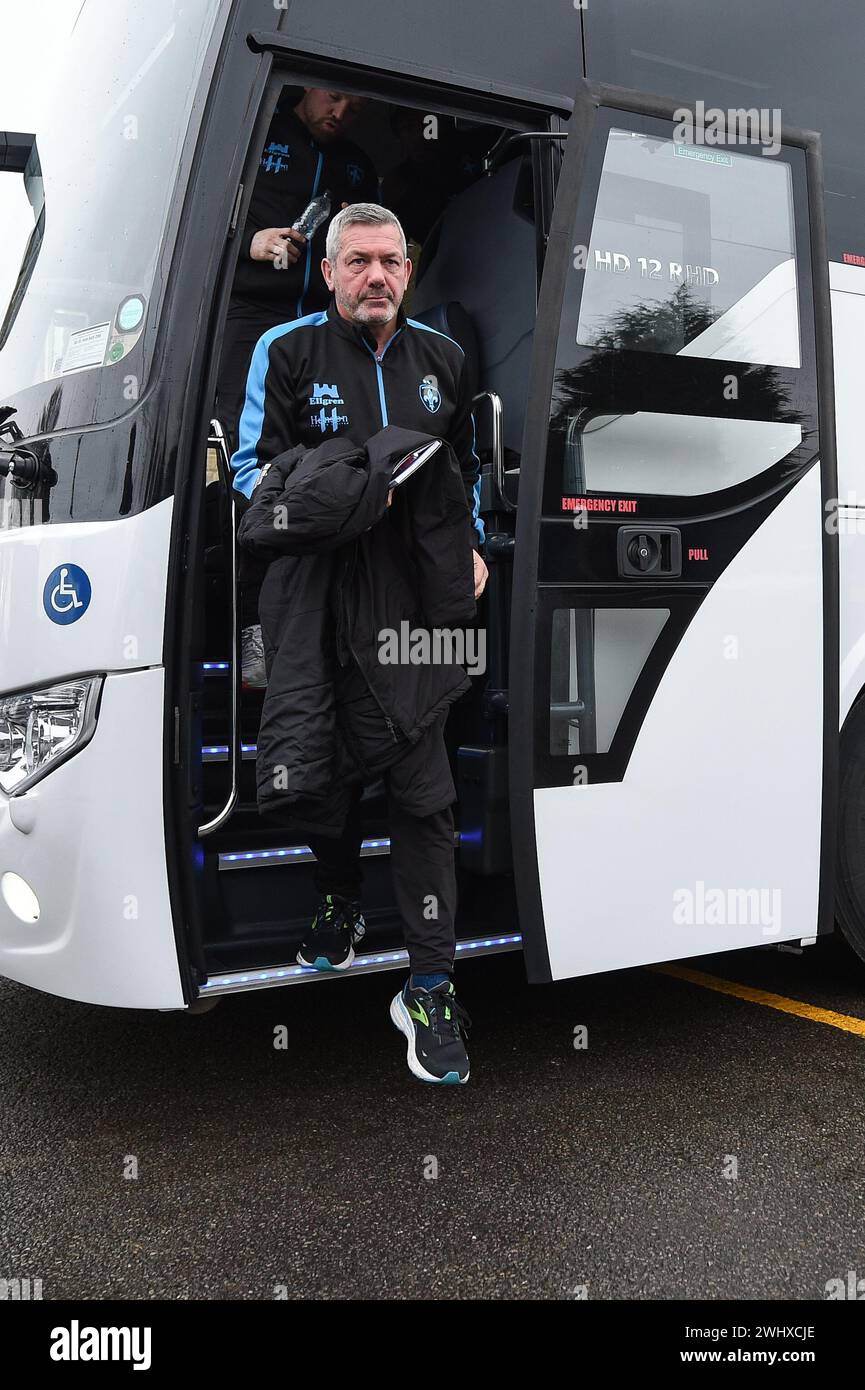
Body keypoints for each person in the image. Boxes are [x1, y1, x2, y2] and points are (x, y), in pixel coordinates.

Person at [230, 203, 489, 1084]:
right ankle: (338, 900)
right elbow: (251, 481)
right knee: (321, 774)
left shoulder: (443, 360)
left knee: (426, 793)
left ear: (408, 273)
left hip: (415, 612)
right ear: (331, 269)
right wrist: (355, 483)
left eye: (390, 262)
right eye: (358, 262)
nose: (375, 277)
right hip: (315, 608)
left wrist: (474, 548)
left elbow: (466, 473)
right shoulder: (286, 350)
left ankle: (428, 982)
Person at [217, 87, 377, 686]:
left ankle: (328, 627)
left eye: (355, 107)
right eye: (334, 97)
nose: (341, 112)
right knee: (252, 465)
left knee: (325, 465)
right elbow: (187, 225)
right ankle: (254, 629)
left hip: (324, 325)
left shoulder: (358, 166)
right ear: (304, 90)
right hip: (250, 317)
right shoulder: (251, 132)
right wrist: (248, 242)